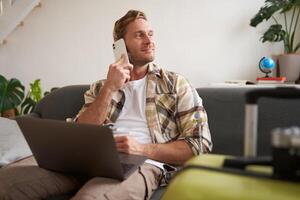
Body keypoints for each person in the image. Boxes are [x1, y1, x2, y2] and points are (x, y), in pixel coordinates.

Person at [0, 10, 212, 200]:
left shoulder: (175, 84)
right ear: (120, 45)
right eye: (139, 35)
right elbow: (80, 131)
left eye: (150, 33)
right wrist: (110, 88)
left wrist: (141, 148)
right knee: (6, 181)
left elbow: (200, 146)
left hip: (142, 163)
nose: (149, 40)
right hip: (86, 160)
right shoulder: (100, 87)